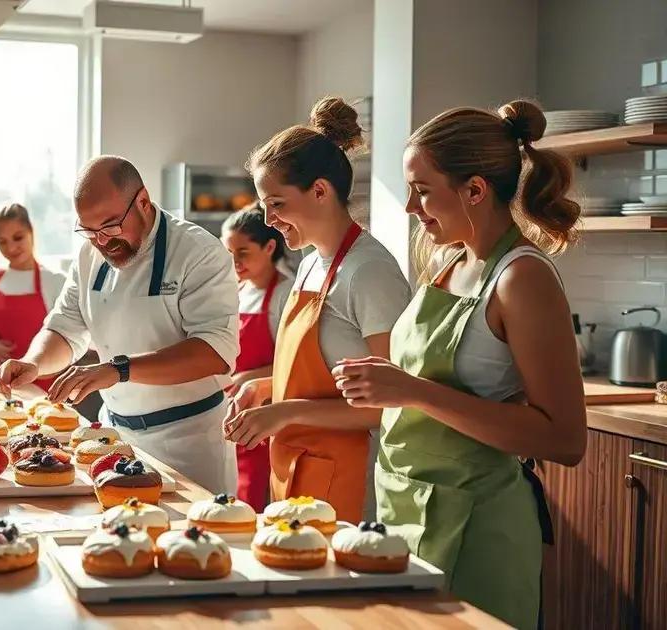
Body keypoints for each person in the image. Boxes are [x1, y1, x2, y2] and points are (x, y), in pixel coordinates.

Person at [331, 100, 586, 629]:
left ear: (475, 190)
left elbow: (564, 439)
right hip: (409, 509)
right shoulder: (449, 262)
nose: (409, 208)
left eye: (422, 190)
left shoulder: (522, 278)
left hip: (479, 529)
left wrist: (413, 391)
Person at [0, 155, 239, 493]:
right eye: (89, 231)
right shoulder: (89, 254)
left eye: (110, 226)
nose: (102, 241)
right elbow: (65, 327)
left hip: (188, 440)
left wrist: (119, 369)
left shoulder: (199, 253)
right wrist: (34, 363)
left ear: (142, 201)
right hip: (113, 438)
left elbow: (214, 351)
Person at [223, 98, 412, 523]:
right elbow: (327, 378)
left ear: (321, 191)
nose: (268, 220)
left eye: (277, 204)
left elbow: (391, 405)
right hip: (298, 470)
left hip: (352, 485)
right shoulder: (309, 263)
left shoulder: (370, 273)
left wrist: (286, 411)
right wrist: (268, 388)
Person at [220, 204, 295, 511]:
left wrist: (247, 377)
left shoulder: (285, 294)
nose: (234, 262)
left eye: (243, 252)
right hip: (232, 410)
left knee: (255, 501)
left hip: (266, 413)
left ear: (270, 247)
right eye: (229, 252)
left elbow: (291, 362)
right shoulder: (236, 291)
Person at [0, 203, 66, 387]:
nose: (11, 248)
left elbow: (65, 342)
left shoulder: (56, 281)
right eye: (2, 241)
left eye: (18, 238)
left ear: (31, 231)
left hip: (37, 386)